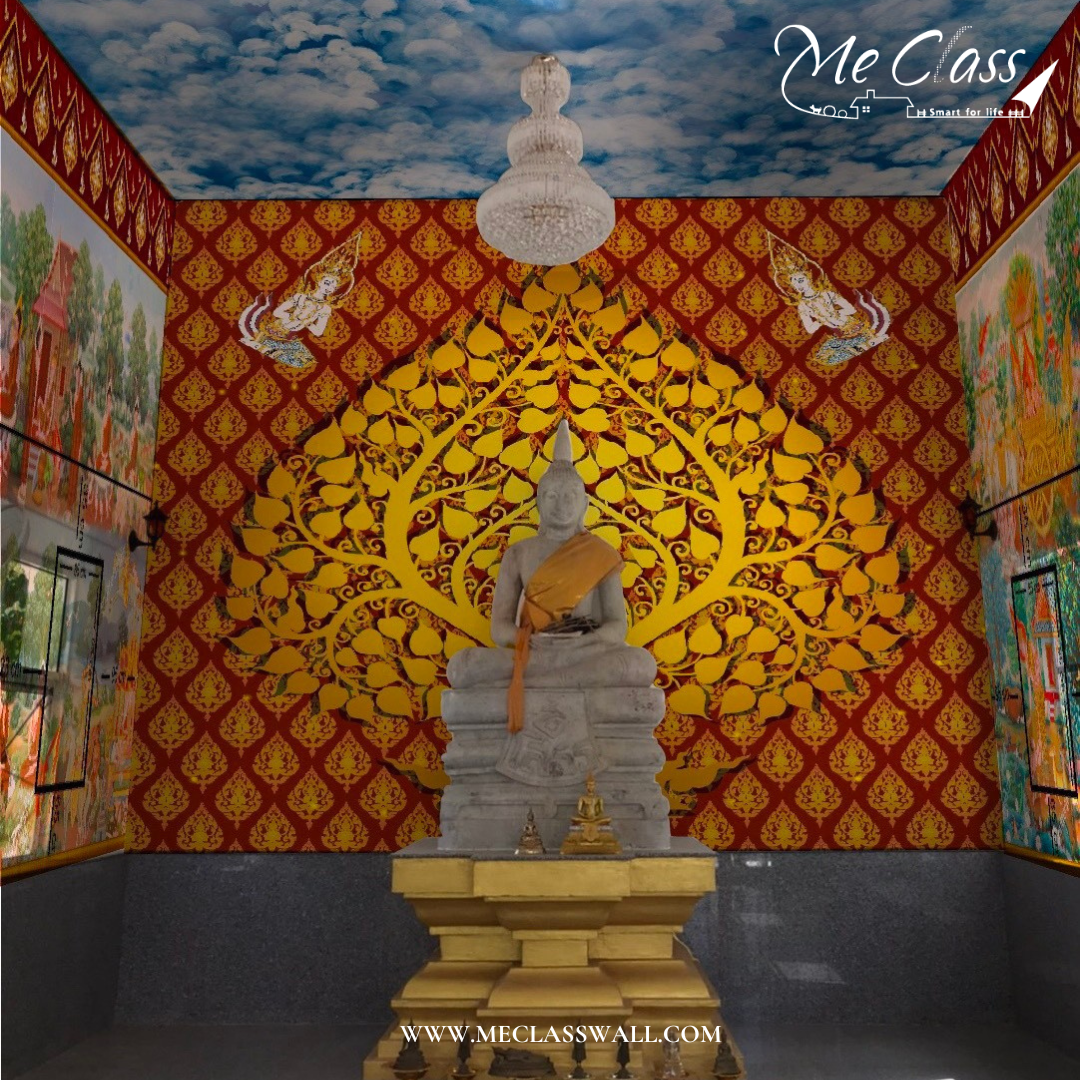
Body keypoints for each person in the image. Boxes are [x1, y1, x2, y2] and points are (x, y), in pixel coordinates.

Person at [447, 420, 656, 733]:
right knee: (463, 666)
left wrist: (583, 644)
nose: (562, 505)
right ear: (539, 502)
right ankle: (560, 683)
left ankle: (545, 684)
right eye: (553, 496)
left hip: (585, 654)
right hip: (533, 654)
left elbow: (617, 626)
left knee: (641, 664)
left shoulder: (601, 553)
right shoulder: (518, 553)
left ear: (584, 503)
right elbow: (499, 629)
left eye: (571, 496)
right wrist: (532, 642)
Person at [238, 231, 363, 369]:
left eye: (333, 286)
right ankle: (260, 343)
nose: (329, 288)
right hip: (273, 331)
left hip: (289, 338)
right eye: (327, 282)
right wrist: (294, 316)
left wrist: (306, 321)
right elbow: (277, 313)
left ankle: (259, 346)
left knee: (305, 361)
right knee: (294, 358)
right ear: (318, 280)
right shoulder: (300, 296)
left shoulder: (325, 308)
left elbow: (318, 332)